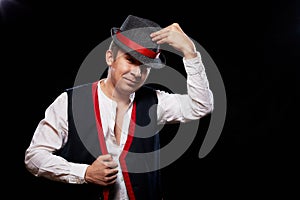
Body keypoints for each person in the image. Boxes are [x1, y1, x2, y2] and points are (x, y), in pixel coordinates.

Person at [24, 15, 214, 200]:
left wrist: (190, 52)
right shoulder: (69, 101)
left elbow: (202, 105)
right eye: (130, 60)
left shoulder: (155, 101)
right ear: (110, 57)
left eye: (145, 66)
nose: (137, 72)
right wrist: (84, 173)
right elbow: (34, 157)